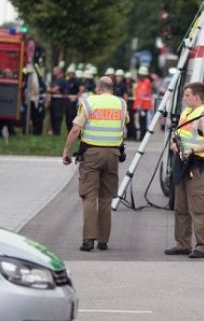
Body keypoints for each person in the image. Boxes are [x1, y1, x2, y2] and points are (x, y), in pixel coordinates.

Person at [62, 76, 129, 252]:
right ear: (111, 88)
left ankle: (88, 240)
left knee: (89, 196)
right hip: (113, 155)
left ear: (98, 88)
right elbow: (125, 122)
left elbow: (76, 129)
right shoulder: (121, 103)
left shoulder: (89, 102)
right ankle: (103, 241)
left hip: (91, 154)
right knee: (105, 199)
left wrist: (66, 151)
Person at [164, 82, 204, 259]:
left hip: (197, 165)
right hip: (182, 164)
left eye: (187, 95)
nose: (184, 98)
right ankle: (182, 244)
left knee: (199, 208)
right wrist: (174, 144)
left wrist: (192, 151)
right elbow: (180, 135)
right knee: (181, 207)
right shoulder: (186, 113)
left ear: (197, 96)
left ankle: (202, 247)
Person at [133, 66, 153, 140]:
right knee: (141, 122)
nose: (140, 76)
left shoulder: (146, 82)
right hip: (141, 106)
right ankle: (141, 136)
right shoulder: (140, 82)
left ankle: (142, 137)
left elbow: (143, 94)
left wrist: (140, 105)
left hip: (144, 106)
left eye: (142, 75)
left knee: (143, 122)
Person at [49, 64, 67, 136]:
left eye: (54, 70)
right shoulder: (55, 80)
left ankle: (57, 133)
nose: (53, 72)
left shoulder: (61, 80)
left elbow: (54, 90)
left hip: (59, 102)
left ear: (59, 71)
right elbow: (53, 90)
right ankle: (54, 132)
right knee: (52, 116)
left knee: (57, 117)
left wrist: (50, 90)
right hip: (54, 101)